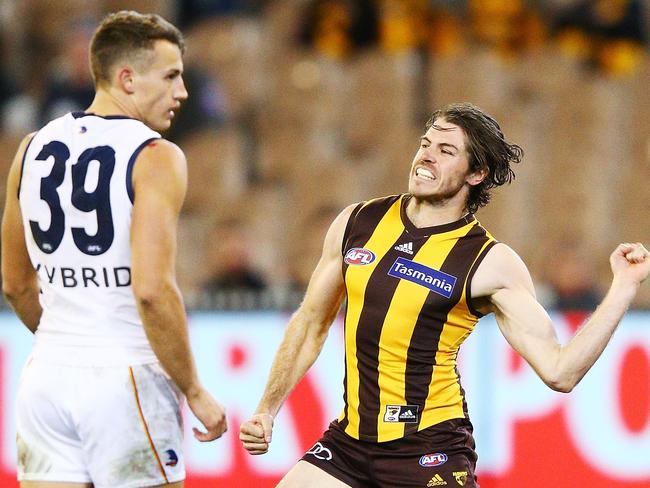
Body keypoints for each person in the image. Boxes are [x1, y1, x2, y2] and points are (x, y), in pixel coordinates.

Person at [239, 102, 650, 487]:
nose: (427, 156)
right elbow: (311, 323)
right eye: (425, 144)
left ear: (477, 174)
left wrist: (622, 288)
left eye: (447, 150)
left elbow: (561, 372)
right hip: (350, 442)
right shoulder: (358, 221)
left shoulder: (489, 262)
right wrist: (266, 408)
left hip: (429, 448)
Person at [1, 11, 227, 488]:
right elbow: (151, 290)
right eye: (170, 76)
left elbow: (16, 283)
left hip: (46, 379)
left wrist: (70, 337)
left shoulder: (31, 149)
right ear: (127, 78)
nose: (181, 92)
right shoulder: (155, 156)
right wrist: (194, 390)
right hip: (126, 381)